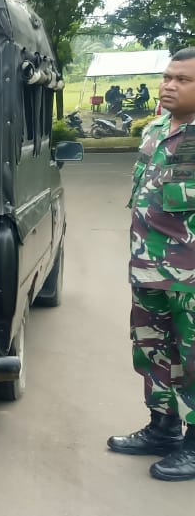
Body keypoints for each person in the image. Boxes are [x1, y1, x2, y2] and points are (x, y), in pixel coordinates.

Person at [106, 49, 195, 479]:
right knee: (152, 348)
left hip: (190, 276)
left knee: (193, 356)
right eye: (167, 76)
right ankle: (163, 427)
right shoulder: (157, 128)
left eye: (183, 79)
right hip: (147, 267)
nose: (169, 85)